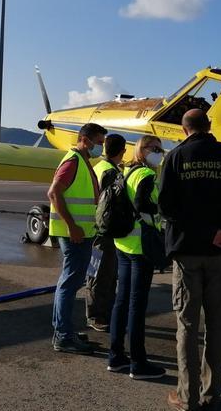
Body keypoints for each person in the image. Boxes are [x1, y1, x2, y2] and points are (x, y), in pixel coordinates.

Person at [158, 109, 221, 411]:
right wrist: (217, 233)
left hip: (188, 251)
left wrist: (203, 233)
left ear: (183, 129)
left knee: (188, 325)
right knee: (217, 325)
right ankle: (211, 395)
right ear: (210, 126)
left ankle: (187, 396)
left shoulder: (176, 157)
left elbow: (166, 206)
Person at [107, 135, 168, 380]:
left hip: (123, 243)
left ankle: (116, 356)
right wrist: (163, 207)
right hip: (141, 246)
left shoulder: (128, 171)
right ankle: (138, 363)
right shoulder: (146, 175)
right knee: (137, 305)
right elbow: (143, 204)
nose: (160, 152)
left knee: (121, 301)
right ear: (142, 150)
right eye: (155, 148)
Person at [48, 122, 108, 354]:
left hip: (81, 233)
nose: (100, 148)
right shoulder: (73, 161)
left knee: (69, 282)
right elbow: (54, 193)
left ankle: (63, 330)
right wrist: (72, 226)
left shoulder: (82, 162)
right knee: (69, 283)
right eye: (98, 143)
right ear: (85, 139)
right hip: (75, 235)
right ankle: (63, 335)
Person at [86, 133, 128, 332]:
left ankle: (102, 312)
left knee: (101, 274)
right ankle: (96, 315)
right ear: (122, 151)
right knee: (102, 275)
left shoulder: (97, 167)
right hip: (105, 232)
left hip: (96, 229)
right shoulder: (111, 172)